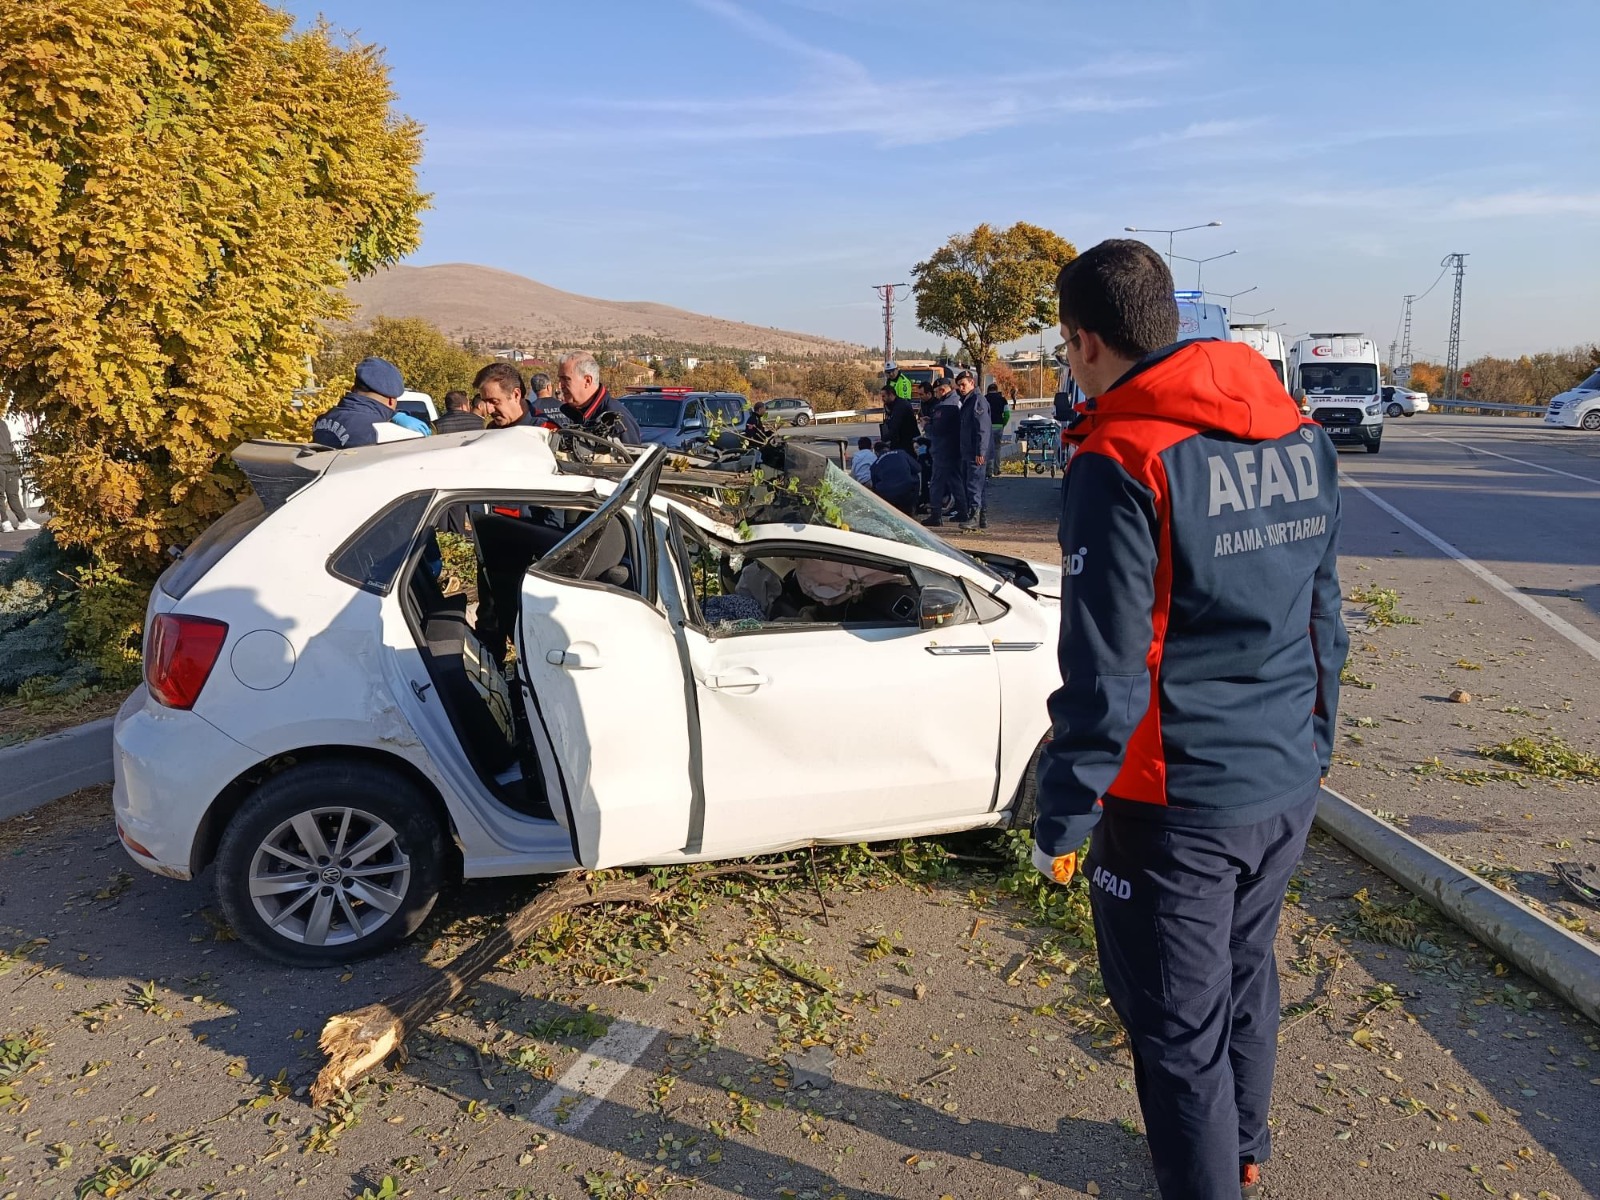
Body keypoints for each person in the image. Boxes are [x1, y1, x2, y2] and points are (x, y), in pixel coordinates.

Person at [1030, 239, 1348, 1200]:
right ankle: (1240, 1149)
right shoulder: (1297, 431)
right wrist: (1316, 742)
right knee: (1245, 975)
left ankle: (1215, 1171)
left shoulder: (1121, 457)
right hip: (1283, 779)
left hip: (1174, 806)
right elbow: (1325, 615)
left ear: (1084, 341)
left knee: (1175, 1033)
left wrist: (1064, 815)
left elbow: (1105, 667)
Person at [311, 357, 421, 448]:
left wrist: (394, 415)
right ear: (391, 400)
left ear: (353, 388)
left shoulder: (323, 419)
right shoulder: (379, 431)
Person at [557, 352, 642, 444]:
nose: (560, 385)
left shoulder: (616, 421)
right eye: (560, 379)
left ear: (587, 381)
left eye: (566, 379)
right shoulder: (573, 413)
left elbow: (632, 456)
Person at [920, 377, 967, 528]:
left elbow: (937, 431)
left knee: (936, 483)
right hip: (955, 449)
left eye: (936, 392)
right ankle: (963, 511)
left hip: (943, 450)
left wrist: (926, 425)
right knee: (955, 481)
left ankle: (935, 515)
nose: (935, 395)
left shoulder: (946, 405)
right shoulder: (958, 402)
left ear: (942, 390)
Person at [955, 371, 989, 529]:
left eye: (964, 384)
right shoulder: (968, 401)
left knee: (974, 484)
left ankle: (974, 517)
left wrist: (980, 452)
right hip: (969, 451)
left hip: (975, 453)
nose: (961, 388)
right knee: (977, 484)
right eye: (959, 385)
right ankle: (981, 518)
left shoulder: (977, 401)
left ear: (972, 383)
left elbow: (982, 428)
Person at [0, 421, 39, 532]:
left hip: (10, 462)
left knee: (13, 494)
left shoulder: (3, 423)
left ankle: (23, 520)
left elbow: (8, 442)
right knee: (0, 494)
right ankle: (4, 521)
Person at [474, 362, 534, 428]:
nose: (489, 410)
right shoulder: (492, 428)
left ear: (516, 395)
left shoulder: (544, 430)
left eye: (494, 401)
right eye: (485, 402)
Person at [869, 443, 920, 515]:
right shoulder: (901, 453)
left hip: (888, 496)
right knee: (915, 475)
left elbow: (874, 487)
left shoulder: (875, 464)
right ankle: (913, 507)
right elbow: (918, 468)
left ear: (876, 453)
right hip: (907, 491)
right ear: (888, 449)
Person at [880, 377, 919, 453]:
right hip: (900, 440)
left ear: (890, 395)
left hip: (907, 441)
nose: (882, 399)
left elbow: (894, 426)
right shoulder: (891, 405)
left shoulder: (900, 406)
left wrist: (883, 440)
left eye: (884, 396)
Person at [985, 382, 1010, 477]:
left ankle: (988, 471)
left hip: (987, 427)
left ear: (988, 390)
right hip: (999, 426)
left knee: (987, 448)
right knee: (997, 448)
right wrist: (1003, 423)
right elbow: (1007, 414)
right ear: (996, 389)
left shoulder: (984, 399)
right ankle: (996, 469)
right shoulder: (1002, 399)